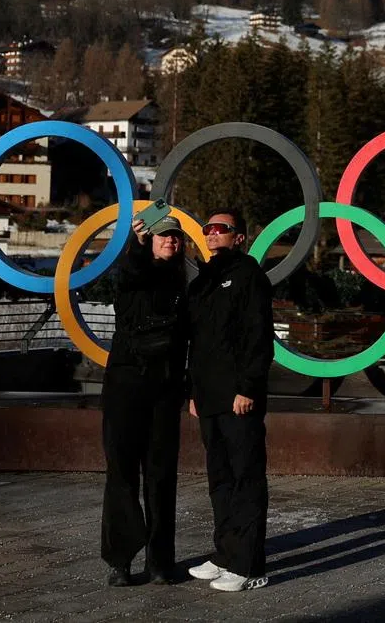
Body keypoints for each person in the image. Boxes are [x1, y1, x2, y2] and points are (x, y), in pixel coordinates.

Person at [185, 209, 274, 593]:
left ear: (239, 237)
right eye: (207, 229)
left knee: (246, 479)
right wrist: (193, 392)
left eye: (221, 229)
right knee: (220, 479)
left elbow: (259, 338)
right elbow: (198, 344)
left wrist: (248, 387)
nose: (211, 233)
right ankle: (224, 554)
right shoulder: (204, 279)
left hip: (239, 397)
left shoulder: (250, 276)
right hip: (208, 398)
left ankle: (248, 565)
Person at [101, 214, 189, 587]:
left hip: (165, 389)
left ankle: (160, 562)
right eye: (163, 236)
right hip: (125, 384)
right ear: (149, 241)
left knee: (161, 476)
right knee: (121, 474)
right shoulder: (133, 272)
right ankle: (120, 561)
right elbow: (132, 274)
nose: (170, 241)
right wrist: (135, 246)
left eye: (175, 237)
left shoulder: (185, 281)